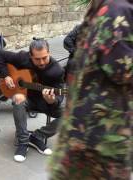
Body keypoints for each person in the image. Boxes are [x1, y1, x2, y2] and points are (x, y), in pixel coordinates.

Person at [49, 0, 132, 179]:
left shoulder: (108, 7)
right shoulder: (117, 10)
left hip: (89, 134)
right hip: (100, 141)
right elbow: (123, 71)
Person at [0, 38, 65, 162]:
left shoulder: (57, 71)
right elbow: (0, 55)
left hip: (45, 103)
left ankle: (37, 136)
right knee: (18, 99)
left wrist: (52, 100)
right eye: (37, 59)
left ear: (49, 53)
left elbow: (59, 97)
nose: (42, 62)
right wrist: (6, 75)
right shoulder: (23, 58)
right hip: (27, 99)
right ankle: (23, 142)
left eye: (45, 57)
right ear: (30, 56)